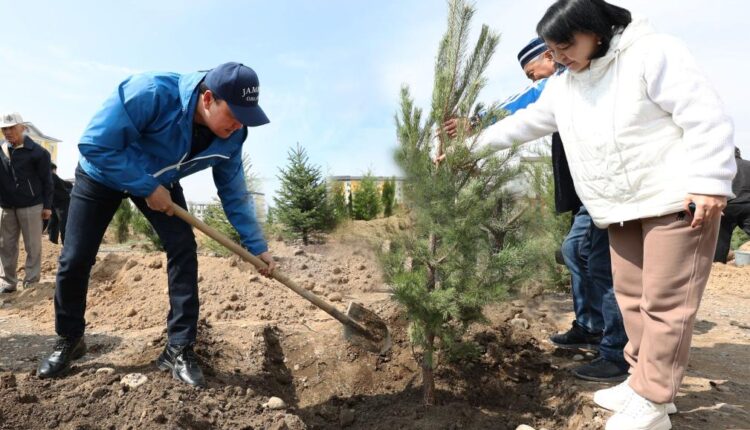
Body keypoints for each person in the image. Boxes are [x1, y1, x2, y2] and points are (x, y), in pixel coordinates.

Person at [448, 1, 735, 429]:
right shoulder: (565, 86)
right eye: (553, 49)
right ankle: (640, 381)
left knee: (666, 305)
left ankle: (654, 401)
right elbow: (522, 123)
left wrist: (711, 181)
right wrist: (465, 149)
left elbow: (703, 113)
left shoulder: (651, 53)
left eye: (566, 46)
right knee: (632, 299)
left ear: (595, 30)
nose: (559, 57)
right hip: (620, 209)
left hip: (675, 202)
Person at [37, 62, 277, 388]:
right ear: (208, 99)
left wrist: (257, 246)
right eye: (234, 115)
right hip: (103, 172)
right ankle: (69, 337)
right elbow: (95, 144)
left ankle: (178, 348)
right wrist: (146, 186)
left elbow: (234, 194)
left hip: (160, 178)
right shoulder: (149, 93)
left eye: (245, 119)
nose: (238, 125)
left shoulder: (232, 137)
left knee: (183, 247)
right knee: (75, 256)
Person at [446, 38, 629, 382]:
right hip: (589, 191)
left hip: (607, 186)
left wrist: (476, 123)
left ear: (549, 55)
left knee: (601, 263)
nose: (533, 80)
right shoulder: (567, 80)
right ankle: (591, 326)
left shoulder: (564, 78)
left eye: (533, 72)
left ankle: (617, 350)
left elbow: (525, 105)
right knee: (575, 250)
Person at [0, 112, 53, 293]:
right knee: (6, 246)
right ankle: (8, 282)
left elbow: (47, 181)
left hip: (31, 205)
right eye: (4, 129)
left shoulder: (38, 152)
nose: (8, 132)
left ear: (23, 128)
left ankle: (31, 281)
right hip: (6, 206)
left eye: (11, 127)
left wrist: (47, 206)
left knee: (33, 245)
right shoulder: (1, 150)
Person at [713, 147, 750, 262]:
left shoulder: (720, 167)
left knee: (720, 239)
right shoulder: (748, 165)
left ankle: (717, 265)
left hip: (726, 206)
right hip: (748, 205)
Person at [47, 162, 73, 245]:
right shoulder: (51, 176)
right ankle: (53, 240)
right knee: (54, 221)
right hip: (56, 202)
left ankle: (64, 242)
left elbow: (67, 184)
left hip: (62, 202)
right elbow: (68, 184)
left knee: (62, 222)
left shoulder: (51, 176)